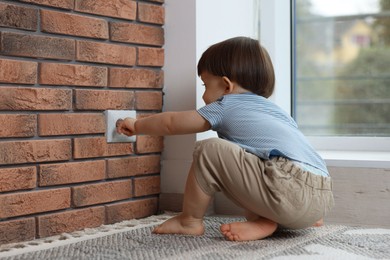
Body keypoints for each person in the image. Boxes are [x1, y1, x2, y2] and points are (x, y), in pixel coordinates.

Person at [116, 36, 334, 242]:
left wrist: (137, 125)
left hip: (287, 191)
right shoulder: (277, 112)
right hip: (320, 197)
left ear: (227, 86)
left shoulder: (227, 104)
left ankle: (189, 221)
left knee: (209, 150)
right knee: (249, 161)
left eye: (205, 85)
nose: (203, 96)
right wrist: (310, 208)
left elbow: (171, 123)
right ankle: (268, 220)